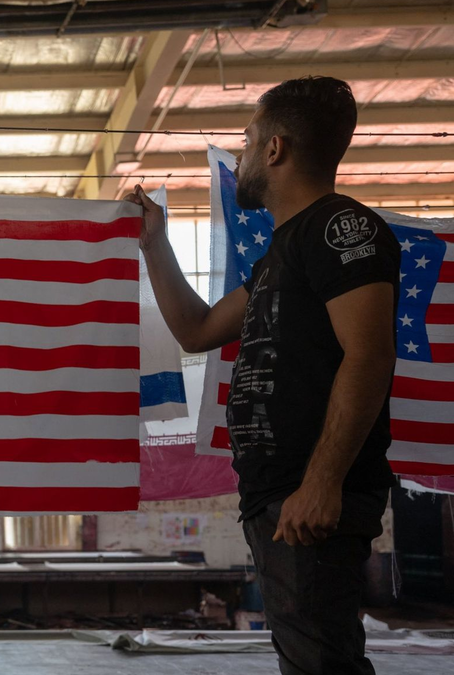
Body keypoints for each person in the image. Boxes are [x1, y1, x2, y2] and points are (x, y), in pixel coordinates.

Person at [127, 76, 399, 674]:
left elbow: (371, 356)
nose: (243, 152)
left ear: (275, 149)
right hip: (277, 496)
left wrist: (323, 483)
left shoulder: (339, 229)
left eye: (248, 139)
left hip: (310, 495)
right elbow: (197, 330)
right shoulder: (282, 252)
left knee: (321, 664)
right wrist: (155, 246)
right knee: (309, 659)